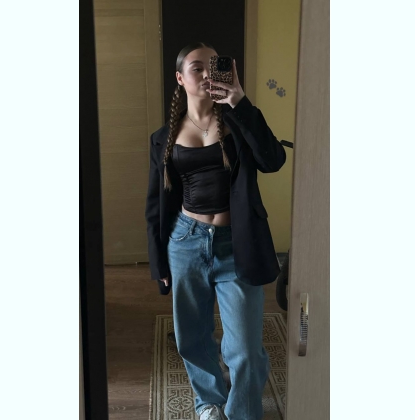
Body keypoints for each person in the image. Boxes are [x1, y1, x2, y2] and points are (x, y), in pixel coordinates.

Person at [145, 42, 286, 420]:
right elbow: (156, 204)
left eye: (214, 65)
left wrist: (239, 100)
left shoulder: (238, 122)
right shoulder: (164, 136)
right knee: (192, 338)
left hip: (236, 243)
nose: (207, 73)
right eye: (197, 67)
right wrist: (158, 259)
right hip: (185, 243)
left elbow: (273, 159)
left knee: (245, 349)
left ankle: (243, 412)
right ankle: (209, 403)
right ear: (180, 78)